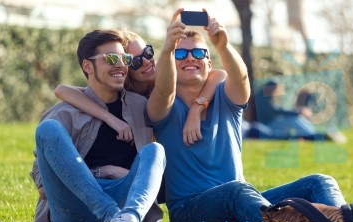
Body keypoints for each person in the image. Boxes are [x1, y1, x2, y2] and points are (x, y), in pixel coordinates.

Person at [145, 8, 346, 222]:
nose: (190, 58)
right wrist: (168, 47)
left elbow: (239, 77)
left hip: (240, 202)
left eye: (198, 53)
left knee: (320, 182)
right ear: (172, 62)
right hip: (189, 216)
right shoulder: (162, 108)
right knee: (236, 190)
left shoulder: (226, 99)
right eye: (181, 55)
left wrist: (223, 45)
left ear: (209, 63)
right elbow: (164, 87)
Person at [30, 29, 166, 222]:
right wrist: (103, 171)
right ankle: (116, 220)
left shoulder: (141, 107)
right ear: (87, 66)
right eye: (111, 59)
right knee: (48, 129)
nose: (120, 65)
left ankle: (127, 221)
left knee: (155, 151)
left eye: (125, 59)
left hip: (126, 204)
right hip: (73, 211)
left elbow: (172, 91)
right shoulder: (63, 113)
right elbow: (44, 188)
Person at [54, 29, 227, 147]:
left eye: (148, 52)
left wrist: (196, 109)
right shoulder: (124, 96)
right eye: (135, 61)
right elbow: (62, 90)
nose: (146, 61)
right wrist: (109, 118)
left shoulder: (163, 72)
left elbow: (219, 74)